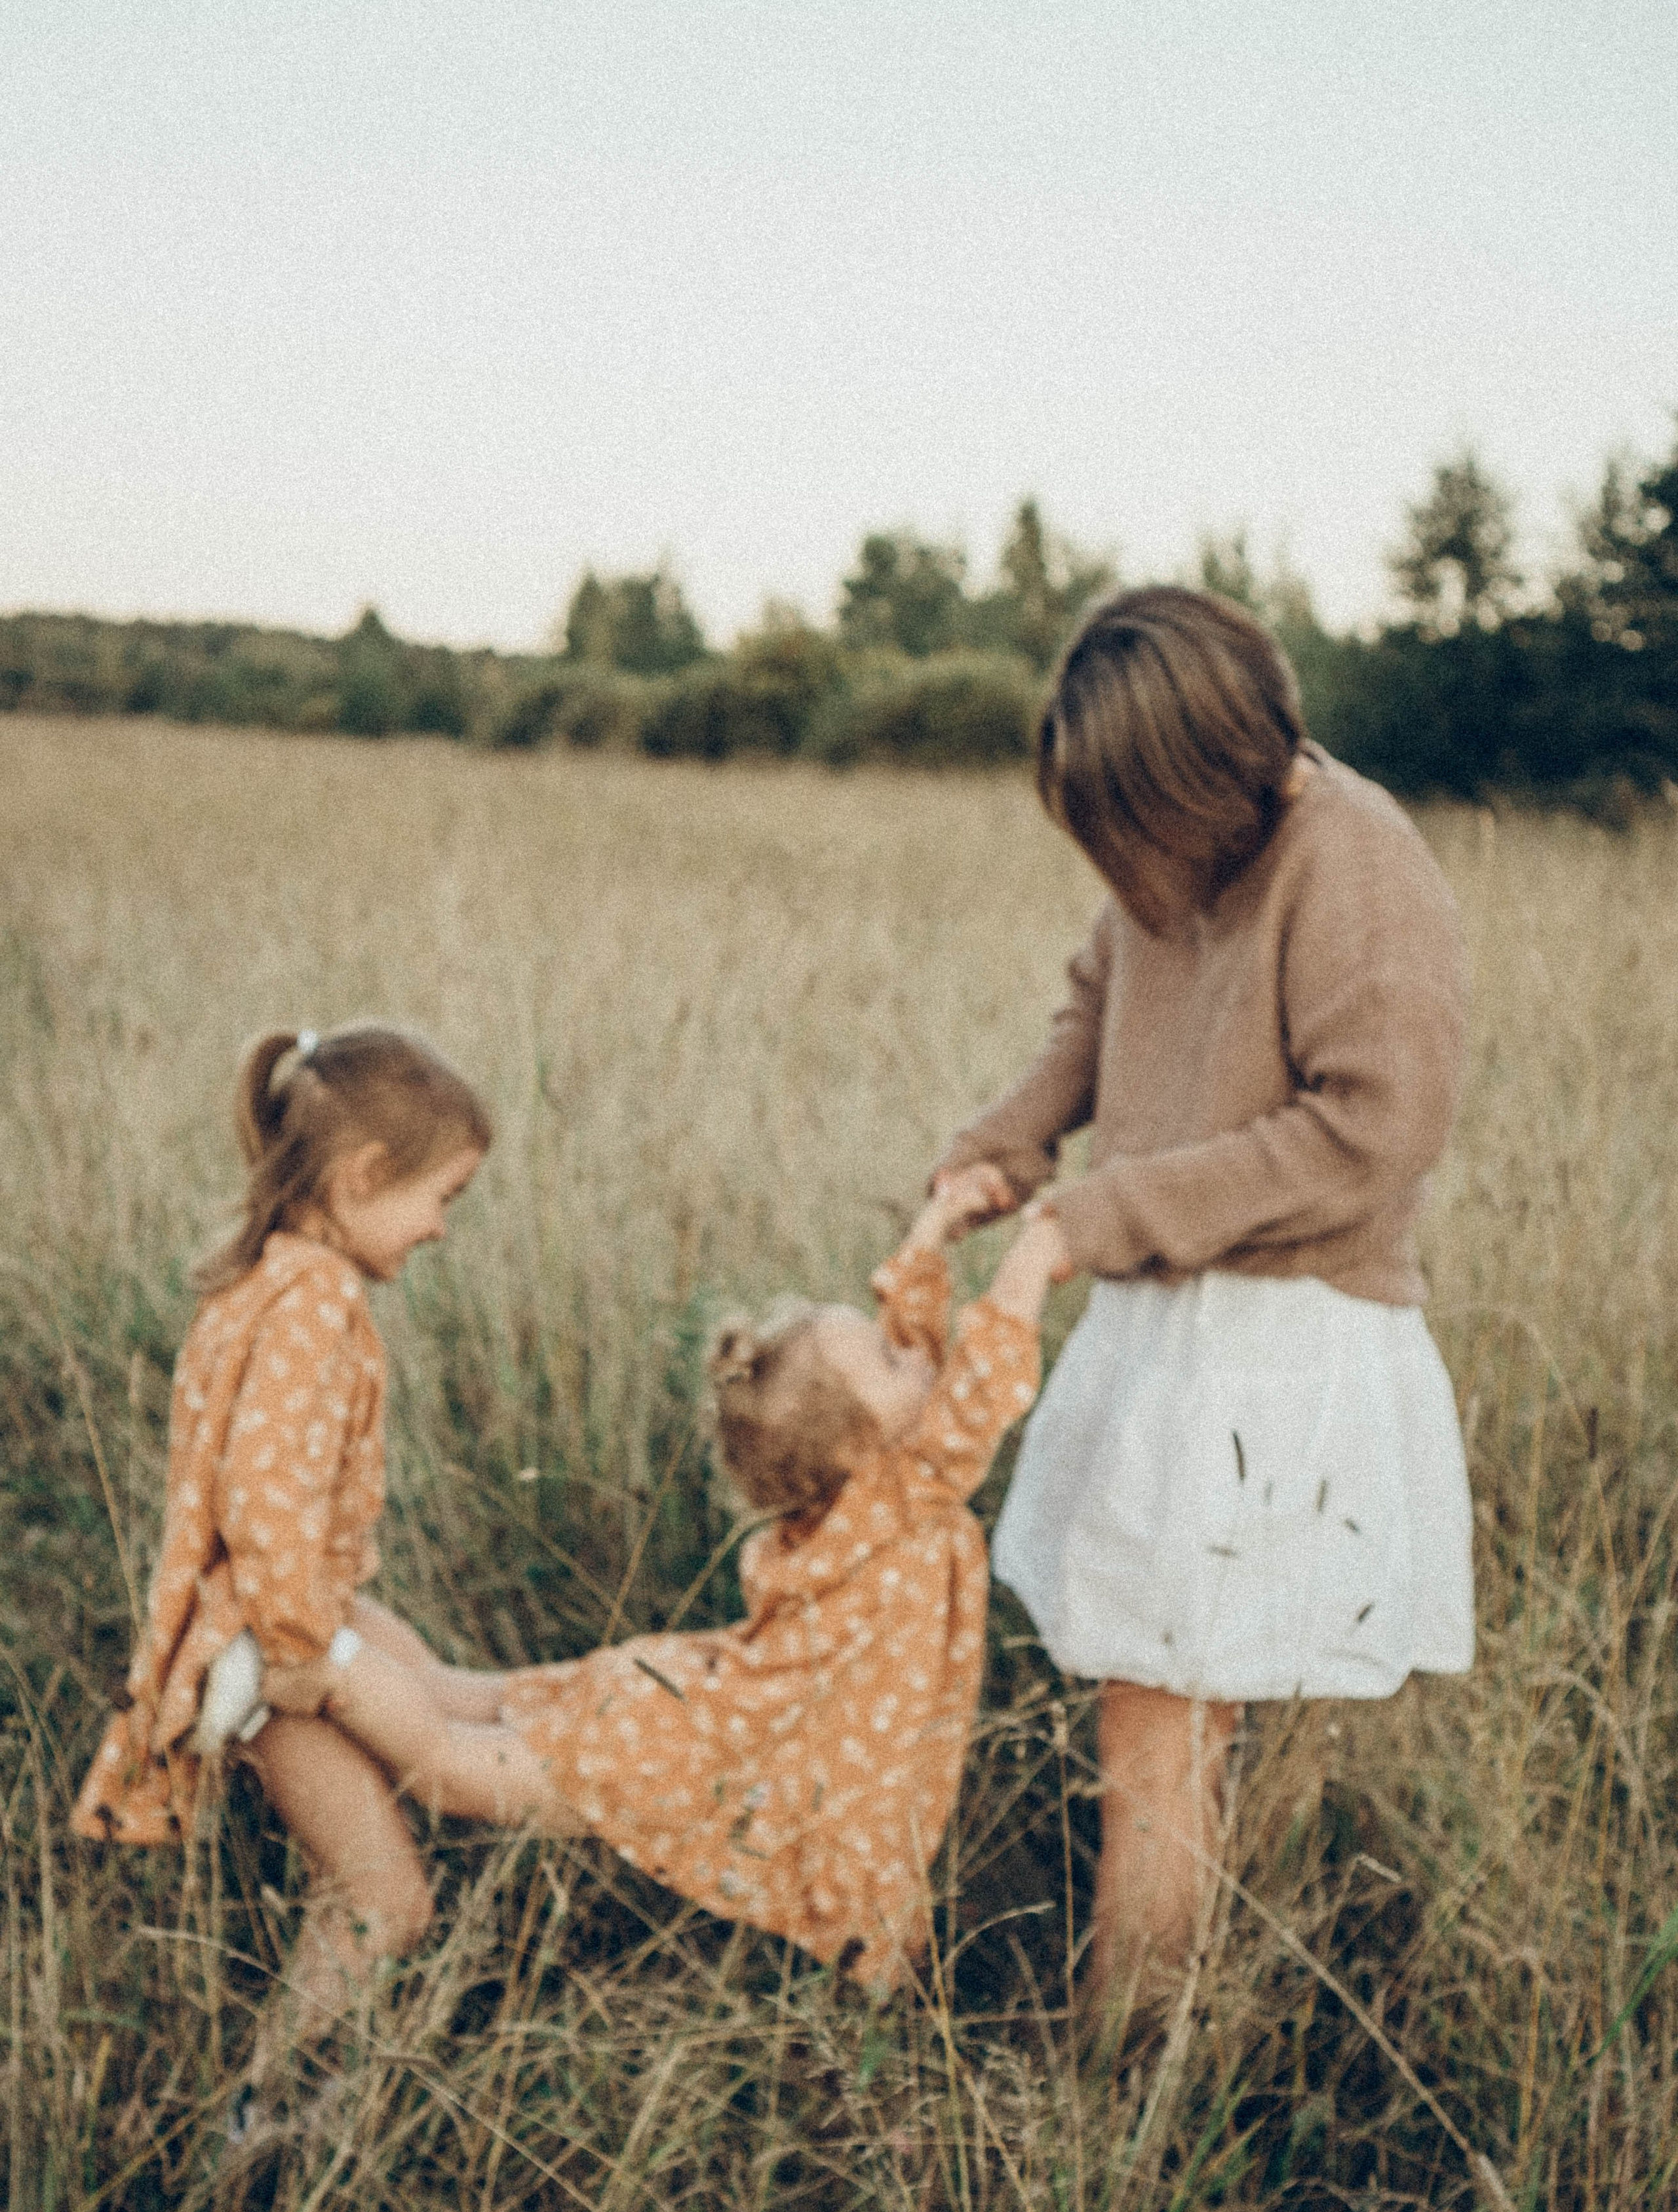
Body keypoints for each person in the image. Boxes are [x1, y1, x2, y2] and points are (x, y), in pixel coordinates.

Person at [934, 585, 1474, 2016]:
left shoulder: (1353, 866)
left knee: (1153, 1723)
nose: (1121, 866)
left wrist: (1096, 1217)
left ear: (1207, 777)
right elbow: (1093, 1015)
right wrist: (999, 1153)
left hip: (1278, 1343)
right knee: (1170, 1709)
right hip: (1166, 1323)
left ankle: (1126, 2075)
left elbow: (1372, 1133)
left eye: (1131, 828)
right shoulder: (1168, 856)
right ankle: (1162, 2030)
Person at [262, 1179, 1061, 1992]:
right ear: (859, 1448)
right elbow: (977, 1393)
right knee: (449, 1764)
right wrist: (1033, 1256)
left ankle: (335, 1617)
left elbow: (919, 1357)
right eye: (890, 1358)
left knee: (454, 1692)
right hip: (715, 1741)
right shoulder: (902, 1490)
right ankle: (322, 1665)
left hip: (697, 1697)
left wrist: (934, 1232)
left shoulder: (873, 1486)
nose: (920, 1352)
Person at [71, 1021, 498, 2070]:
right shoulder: (314, 1304)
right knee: (384, 1903)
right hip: (266, 1651)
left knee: (394, 1839)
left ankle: (289, 2108)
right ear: (360, 1178)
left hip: (276, 1625)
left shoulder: (272, 1279)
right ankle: (268, 2123)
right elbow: (265, 1503)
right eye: (440, 1198)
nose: (441, 1229)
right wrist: (309, 1649)